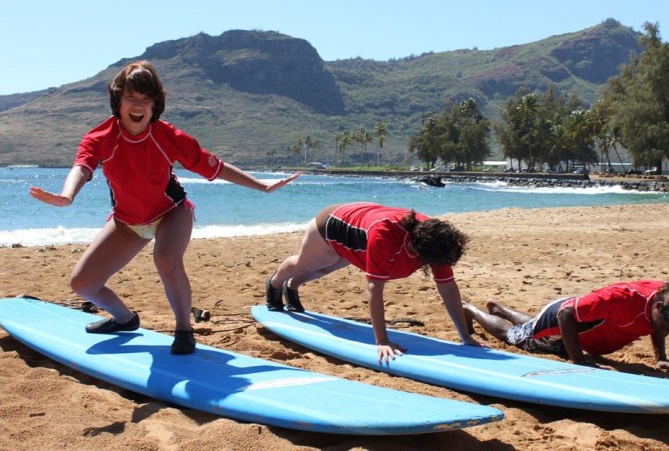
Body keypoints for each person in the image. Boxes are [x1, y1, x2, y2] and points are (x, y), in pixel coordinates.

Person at [29, 60, 300, 355]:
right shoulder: (100, 138)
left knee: (167, 259)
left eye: (146, 99)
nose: (138, 105)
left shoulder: (167, 136)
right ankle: (125, 319)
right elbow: (83, 166)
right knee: (83, 284)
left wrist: (261, 186)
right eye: (131, 97)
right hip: (128, 221)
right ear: (118, 101)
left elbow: (215, 167)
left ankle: (184, 328)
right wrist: (68, 196)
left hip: (172, 211)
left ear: (155, 105)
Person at [266, 202, 480, 364]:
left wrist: (465, 338)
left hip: (361, 227)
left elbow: (448, 287)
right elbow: (374, 290)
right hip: (332, 224)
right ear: (417, 250)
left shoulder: (439, 241)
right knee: (308, 265)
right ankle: (276, 283)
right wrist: (382, 341)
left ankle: (292, 287)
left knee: (326, 268)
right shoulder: (385, 236)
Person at [462, 279, 669, 370]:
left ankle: (499, 308)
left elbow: (658, 326)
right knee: (516, 336)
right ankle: (470, 310)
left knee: (531, 327)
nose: (664, 332)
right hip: (564, 318)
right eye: (666, 327)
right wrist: (578, 359)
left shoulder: (668, 296)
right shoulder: (621, 299)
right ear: (658, 308)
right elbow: (566, 315)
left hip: (577, 312)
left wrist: (660, 356)